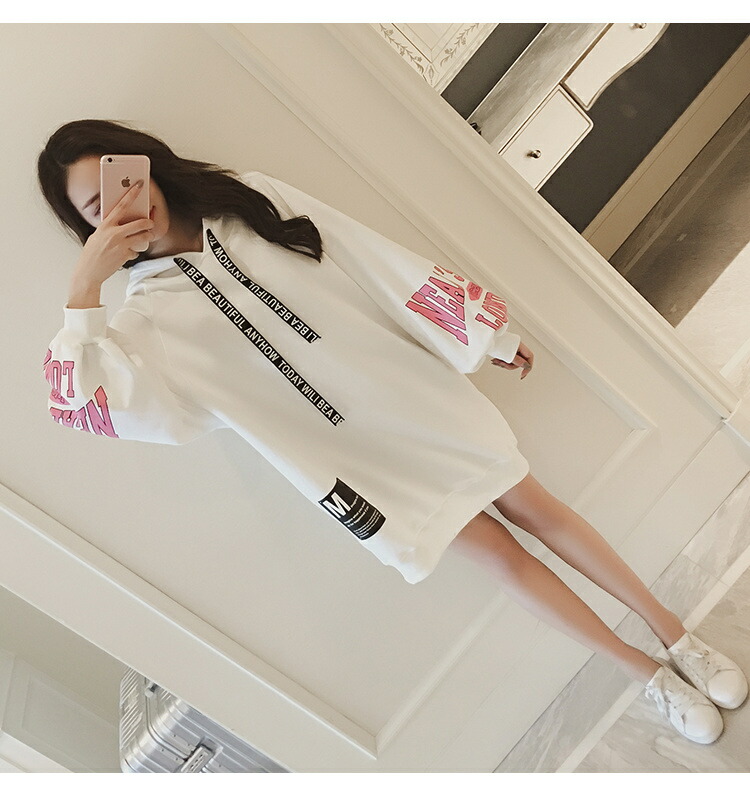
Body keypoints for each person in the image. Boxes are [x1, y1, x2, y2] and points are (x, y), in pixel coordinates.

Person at [38, 119, 747, 746]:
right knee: (502, 559)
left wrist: (483, 333)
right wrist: (83, 291)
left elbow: (369, 256)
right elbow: (84, 404)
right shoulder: (143, 322)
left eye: (121, 179)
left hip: (412, 399)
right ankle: (648, 676)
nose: (125, 205)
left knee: (537, 507)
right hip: (353, 466)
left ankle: (678, 637)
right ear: (87, 231)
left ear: (146, 164)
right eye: (99, 208)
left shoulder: (250, 200)